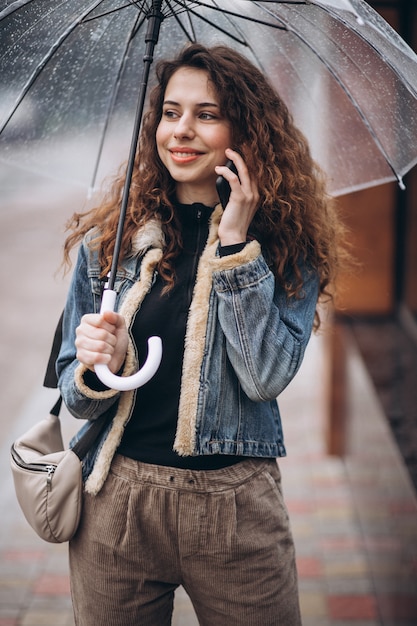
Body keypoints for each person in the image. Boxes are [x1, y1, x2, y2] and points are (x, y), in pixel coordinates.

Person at [57, 43, 346, 626]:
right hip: (118, 505)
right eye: (170, 112)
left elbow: (266, 377)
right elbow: (73, 392)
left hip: (237, 509)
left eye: (206, 114)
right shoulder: (109, 242)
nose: (181, 131)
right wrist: (97, 365)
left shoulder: (287, 249)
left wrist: (236, 246)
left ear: (244, 128)